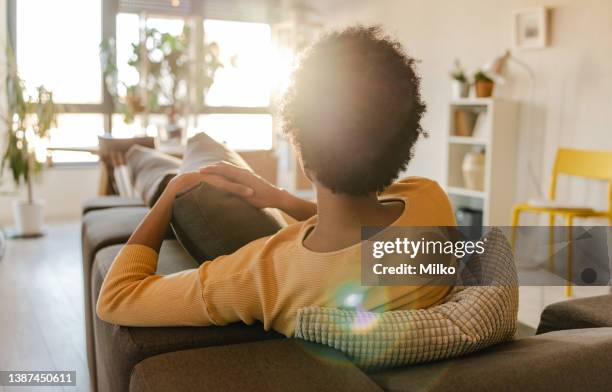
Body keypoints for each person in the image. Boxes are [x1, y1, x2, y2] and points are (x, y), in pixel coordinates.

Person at [97, 26, 456, 337]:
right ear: (406, 136)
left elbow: (116, 298)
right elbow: (364, 245)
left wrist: (173, 189)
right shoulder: (428, 201)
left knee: (167, 161)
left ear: (298, 140)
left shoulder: (262, 274)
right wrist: (282, 199)